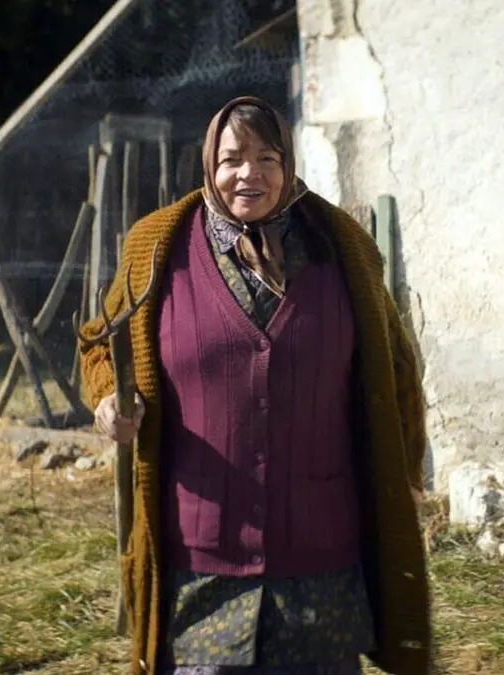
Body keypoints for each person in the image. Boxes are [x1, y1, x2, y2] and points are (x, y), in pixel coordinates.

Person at [78, 96, 430, 675]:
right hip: (199, 564)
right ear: (208, 166)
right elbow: (99, 342)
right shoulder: (157, 245)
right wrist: (108, 399)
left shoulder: (343, 246)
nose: (251, 174)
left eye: (268, 158)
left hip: (321, 562)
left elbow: (395, 368)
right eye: (232, 159)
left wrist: (405, 469)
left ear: (288, 164)